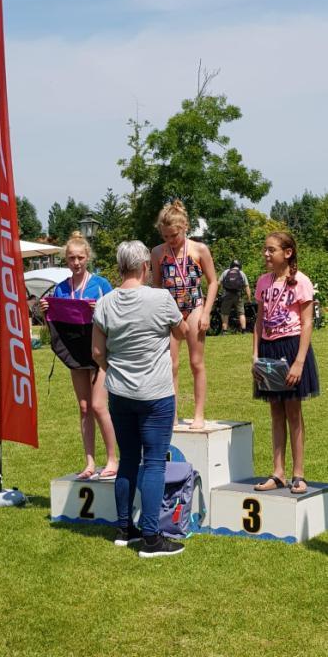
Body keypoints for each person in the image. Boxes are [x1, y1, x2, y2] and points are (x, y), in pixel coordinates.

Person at [92, 240, 189, 558]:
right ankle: (151, 536)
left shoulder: (104, 303)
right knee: (155, 462)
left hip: (120, 394)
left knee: (128, 459)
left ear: (120, 267)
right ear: (146, 266)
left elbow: (97, 353)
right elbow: (182, 331)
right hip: (156, 394)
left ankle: (124, 528)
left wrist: (116, 370)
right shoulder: (161, 298)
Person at [40, 231, 118, 481]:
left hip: (100, 354)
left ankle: (112, 459)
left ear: (88, 258)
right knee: (84, 408)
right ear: (66, 260)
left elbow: (118, 315)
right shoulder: (61, 289)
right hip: (76, 353)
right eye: (71, 258)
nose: (76, 263)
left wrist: (102, 307)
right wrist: (45, 312)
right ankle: (89, 463)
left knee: (98, 406)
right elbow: (56, 324)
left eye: (80, 258)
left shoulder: (101, 284)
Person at [252, 231, 319, 494]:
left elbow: (307, 322)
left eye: (271, 250)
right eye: (265, 249)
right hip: (269, 348)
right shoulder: (262, 282)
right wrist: (255, 355)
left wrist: (299, 361)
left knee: (293, 411)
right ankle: (278, 472)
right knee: (275, 411)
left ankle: (298, 474)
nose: (266, 254)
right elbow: (258, 321)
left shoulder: (301, 282)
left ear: (287, 253)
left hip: (292, 348)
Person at [151, 200, 217, 429]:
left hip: (194, 307)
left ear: (185, 227)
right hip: (169, 312)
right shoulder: (158, 252)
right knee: (171, 365)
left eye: (175, 235)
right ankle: (173, 414)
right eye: (166, 236)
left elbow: (213, 281)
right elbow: (157, 286)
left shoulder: (199, 249)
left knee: (196, 362)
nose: (171, 240)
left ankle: (199, 414)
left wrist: (207, 312)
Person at [218, 260, 251, 334]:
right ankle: (244, 330)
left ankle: (224, 331)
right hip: (238, 295)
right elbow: (247, 287)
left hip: (227, 295)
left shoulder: (226, 272)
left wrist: (216, 293)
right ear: (239, 266)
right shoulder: (241, 273)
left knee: (225, 313)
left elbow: (218, 283)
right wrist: (249, 299)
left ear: (231, 265)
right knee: (241, 313)